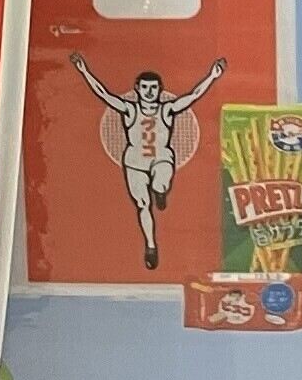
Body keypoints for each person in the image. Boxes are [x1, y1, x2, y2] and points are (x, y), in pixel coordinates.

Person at [71, 51, 227, 270]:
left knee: (160, 182)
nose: (149, 91)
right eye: (145, 87)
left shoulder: (167, 109)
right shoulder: (130, 109)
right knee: (143, 205)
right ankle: (151, 246)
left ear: (160, 89)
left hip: (161, 159)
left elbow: (193, 96)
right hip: (135, 164)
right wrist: (84, 71)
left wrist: (212, 75)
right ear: (137, 89)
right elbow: (103, 94)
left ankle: (160, 191)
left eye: (153, 87)